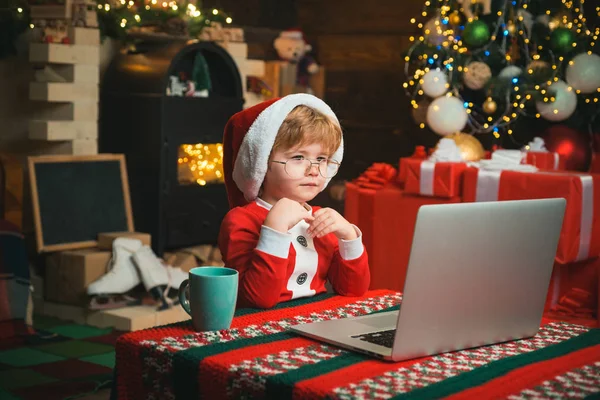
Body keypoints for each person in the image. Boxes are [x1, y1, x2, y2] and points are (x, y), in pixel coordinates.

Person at [219, 93, 370, 309]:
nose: (314, 170)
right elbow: (257, 299)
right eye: (298, 157)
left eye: (321, 159)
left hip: (312, 323)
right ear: (262, 164)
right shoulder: (241, 220)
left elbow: (353, 290)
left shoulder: (319, 220)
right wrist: (275, 229)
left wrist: (348, 236)